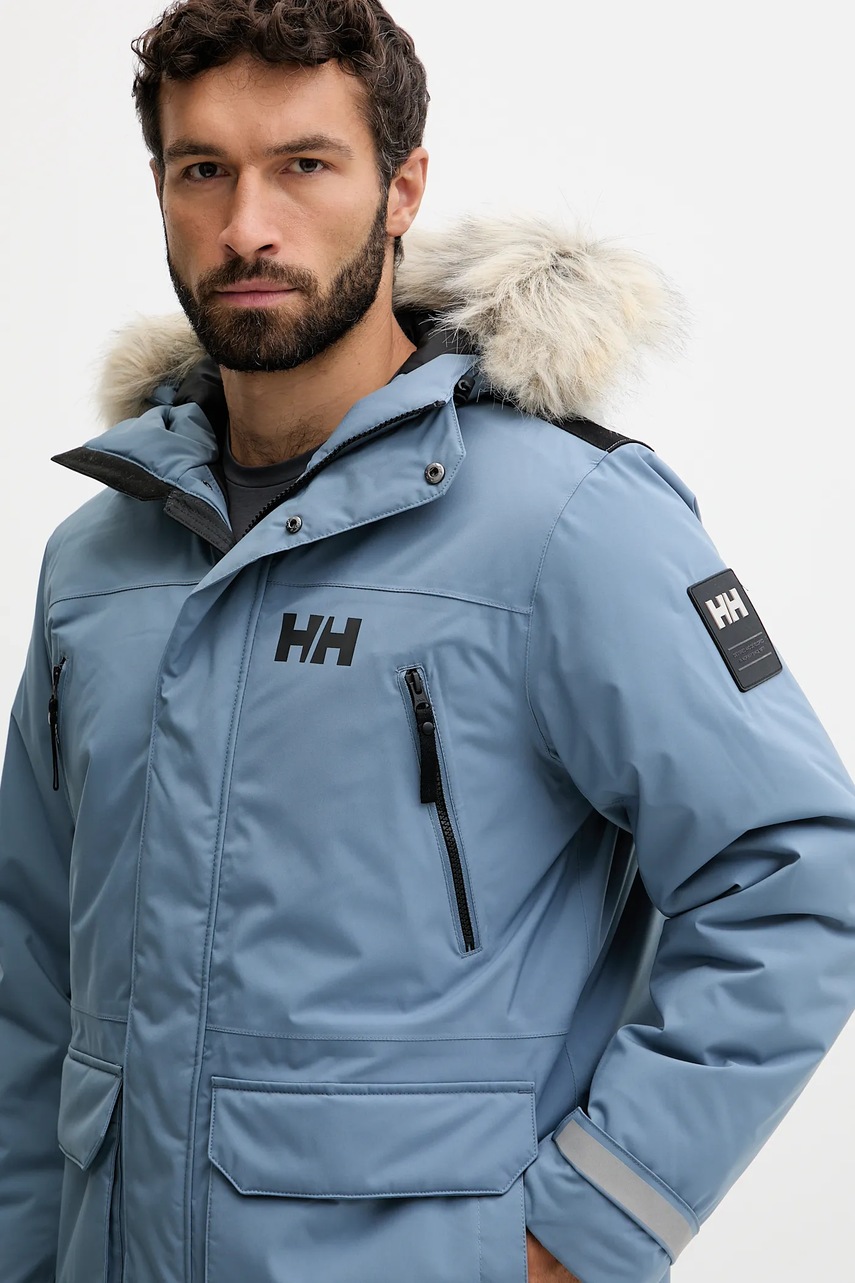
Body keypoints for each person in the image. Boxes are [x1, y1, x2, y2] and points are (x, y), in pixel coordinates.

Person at [1, 1, 854, 1281]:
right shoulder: (96, 561)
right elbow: (28, 957)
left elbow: (797, 869)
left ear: (401, 190)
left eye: (304, 164)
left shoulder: (569, 521)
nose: (248, 226)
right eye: (203, 170)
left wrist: (588, 1225)